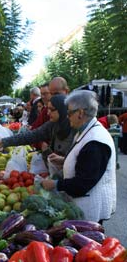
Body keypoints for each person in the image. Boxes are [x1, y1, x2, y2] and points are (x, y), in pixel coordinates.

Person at [41, 90, 116, 223]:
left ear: (80, 113)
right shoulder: (85, 130)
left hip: (89, 209)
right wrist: (65, 160)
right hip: (83, 203)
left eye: (69, 112)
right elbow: (86, 161)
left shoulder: (95, 141)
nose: (67, 116)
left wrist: (55, 184)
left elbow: (83, 182)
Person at [0, 94, 76, 167]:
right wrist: (4, 142)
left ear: (62, 110)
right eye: (48, 109)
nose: (48, 113)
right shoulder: (52, 125)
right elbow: (32, 135)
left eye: (52, 109)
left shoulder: (75, 128)